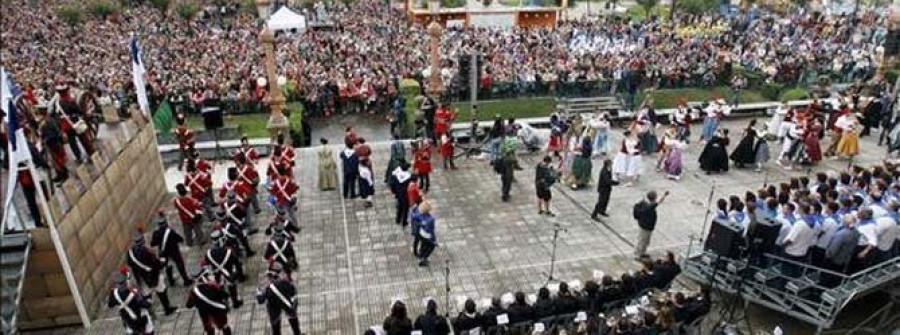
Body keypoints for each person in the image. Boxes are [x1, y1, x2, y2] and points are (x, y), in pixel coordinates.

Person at [127, 232, 177, 315]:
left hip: (141, 278)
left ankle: (150, 313)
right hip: (153, 276)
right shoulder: (148, 252)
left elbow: (130, 264)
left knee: (146, 295)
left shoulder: (130, 253)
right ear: (143, 240)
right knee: (161, 291)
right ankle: (167, 309)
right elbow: (156, 264)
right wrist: (163, 263)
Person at [255, 263, 302, 335]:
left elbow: (260, 300)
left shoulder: (269, 289)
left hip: (274, 308)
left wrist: (258, 292)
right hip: (287, 304)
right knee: (293, 321)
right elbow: (293, 291)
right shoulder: (286, 283)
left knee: (276, 327)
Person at [203, 230, 244, 308]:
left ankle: (224, 304)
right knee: (232, 288)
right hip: (229, 273)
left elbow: (207, 265)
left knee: (220, 289)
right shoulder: (228, 251)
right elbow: (237, 263)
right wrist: (240, 274)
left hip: (217, 275)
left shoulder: (208, 253)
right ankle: (235, 302)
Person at [150, 212, 192, 287]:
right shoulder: (170, 231)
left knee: (167, 266)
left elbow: (152, 244)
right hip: (174, 251)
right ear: (165, 222)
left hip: (163, 252)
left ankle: (171, 281)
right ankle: (186, 280)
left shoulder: (155, 233)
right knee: (180, 265)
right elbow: (179, 239)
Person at [187, 268, 233, 335]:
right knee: (224, 326)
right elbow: (225, 295)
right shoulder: (212, 286)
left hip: (204, 314)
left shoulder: (194, 291)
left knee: (209, 329)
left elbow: (189, 305)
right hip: (217, 311)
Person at [108, 270, 154, 335]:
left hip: (127, 318)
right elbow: (143, 304)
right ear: (125, 281)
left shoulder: (113, 294)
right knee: (149, 330)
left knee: (131, 331)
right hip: (140, 317)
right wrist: (149, 302)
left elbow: (110, 305)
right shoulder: (132, 292)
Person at [821, 215, 860, 287]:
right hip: (845, 260)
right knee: (836, 277)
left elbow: (833, 249)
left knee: (827, 277)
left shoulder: (841, 234)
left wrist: (827, 256)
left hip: (834, 260)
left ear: (845, 222)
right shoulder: (856, 232)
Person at [633, 190, 669, 258]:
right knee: (642, 241)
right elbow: (659, 201)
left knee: (645, 241)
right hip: (646, 227)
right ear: (654, 198)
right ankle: (637, 255)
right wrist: (665, 195)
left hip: (644, 225)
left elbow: (658, 202)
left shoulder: (644, 203)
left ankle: (642, 253)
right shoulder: (650, 207)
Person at [389, 162, 413, 227]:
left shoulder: (396, 175)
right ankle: (404, 222)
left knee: (400, 207)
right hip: (405, 195)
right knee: (405, 208)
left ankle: (398, 219)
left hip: (399, 194)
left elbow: (392, 185)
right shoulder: (408, 177)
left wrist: (394, 192)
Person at [417, 201, 437, 267]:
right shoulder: (431, 219)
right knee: (431, 247)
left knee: (423, 244)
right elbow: (431, 230)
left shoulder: (419, 215)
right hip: (428, 236)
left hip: (421, 233)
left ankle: (420, 254)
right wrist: (434, 239)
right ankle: (424, 258)